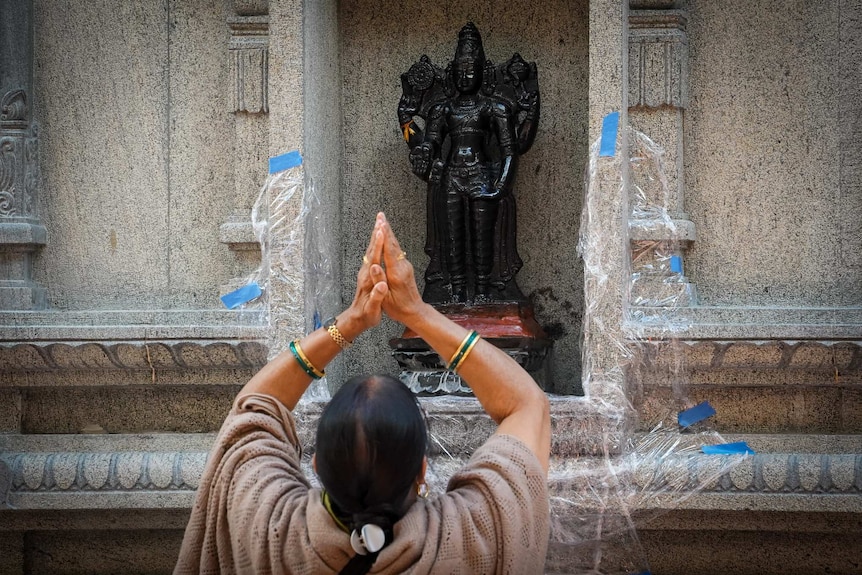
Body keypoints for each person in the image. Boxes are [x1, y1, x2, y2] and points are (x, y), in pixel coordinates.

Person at [174, 212, 551, 574]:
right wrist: (418, 314)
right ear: (423, 473)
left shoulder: (268, 528)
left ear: (318, 466)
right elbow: (526, 404)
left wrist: (351, 322)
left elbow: (253, 407)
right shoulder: (475, 538)